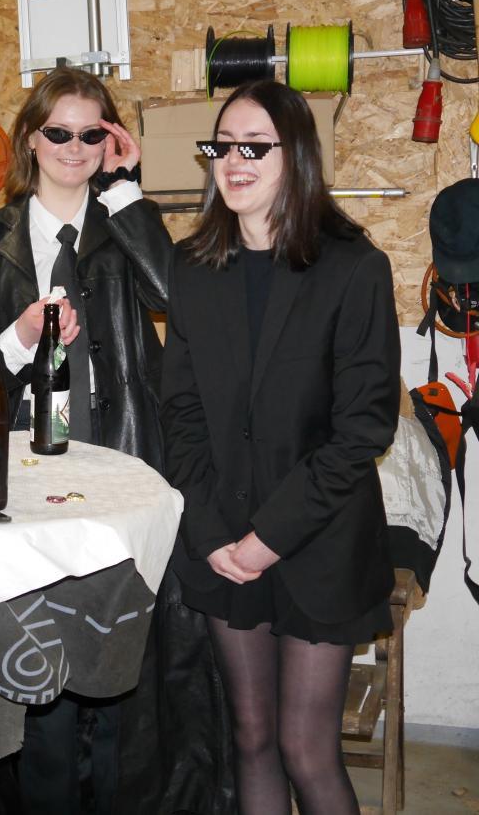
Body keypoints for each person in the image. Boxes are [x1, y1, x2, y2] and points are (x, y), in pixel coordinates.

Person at [0, 66, 230, 815]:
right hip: (30, 475)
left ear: (112, 141)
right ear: (30, 140)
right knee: (45, 664)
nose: (74, 147)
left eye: (91, 133)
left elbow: (177, 299)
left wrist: (128, 191)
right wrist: (18, 336)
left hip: (124, 464)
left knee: (120, 664)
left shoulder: (123, 225)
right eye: (59, 131)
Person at [162, 80, 400, 814]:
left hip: (318, 541)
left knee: (305, 748)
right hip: (224, 538)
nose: (233, 160)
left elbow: (363, 429)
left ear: (295, 154)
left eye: (254, 147)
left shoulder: (353, 268)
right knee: (252, 737)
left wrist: (269, 538)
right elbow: (181, 412)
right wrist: (212, 533)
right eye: (222, 145)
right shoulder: (192, 267)